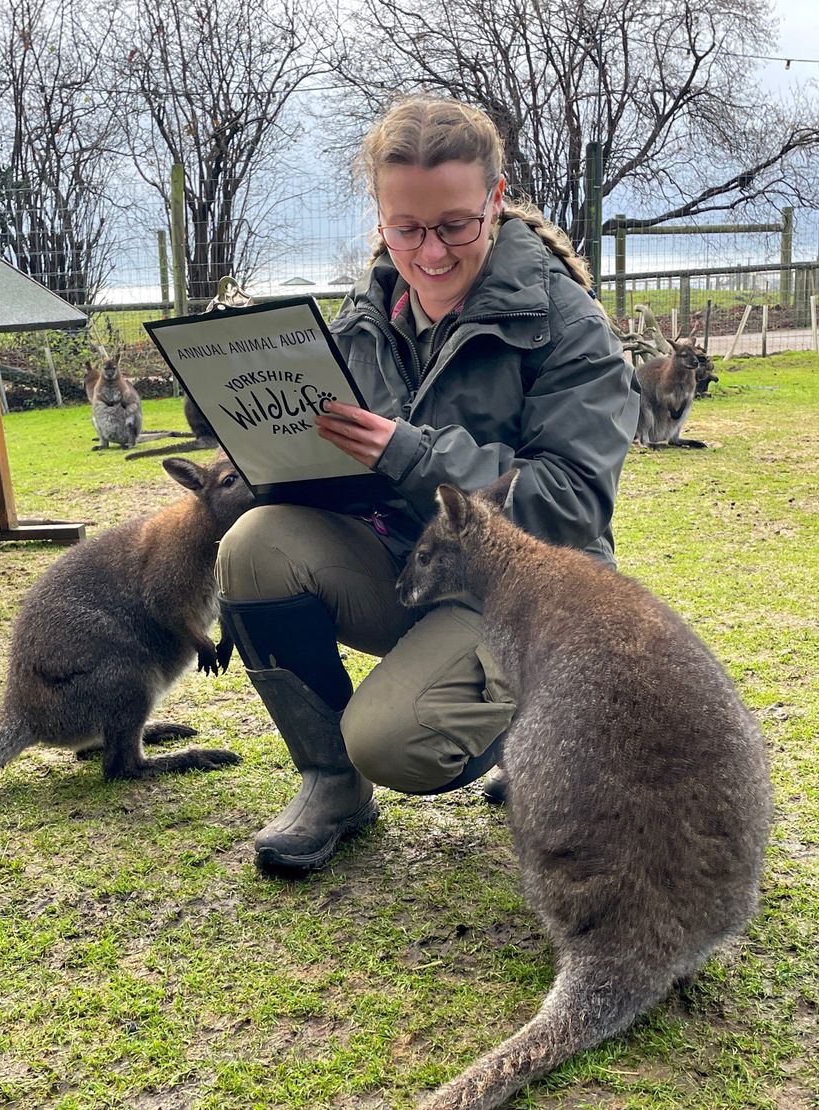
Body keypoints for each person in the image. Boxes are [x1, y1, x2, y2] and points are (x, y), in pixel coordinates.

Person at [217, 94, 639, 875]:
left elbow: (572, 503)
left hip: (528, 595)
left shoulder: (568, 326)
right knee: (252, 547)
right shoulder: (365, 314)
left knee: (393, 741)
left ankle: (548, 720)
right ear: (380, 218)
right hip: (412, 567)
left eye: (455, 225)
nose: (431, 252)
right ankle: (331, 783)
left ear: (496, 199)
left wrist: (415, 457)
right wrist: (249, 428)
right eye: (406, 228)